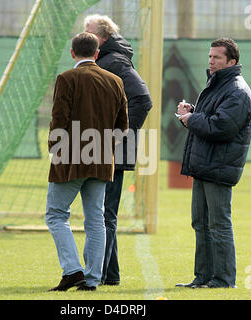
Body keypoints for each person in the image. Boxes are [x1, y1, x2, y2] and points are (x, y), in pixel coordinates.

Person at [45, 32, 128, 292]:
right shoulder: (115, 80)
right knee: (95, 219)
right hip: (102, 159)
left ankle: (72, 271)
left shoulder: (67, 78)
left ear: (72, 53)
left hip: (70, 158)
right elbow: (122, 126)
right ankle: (92, 279)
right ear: (97, 54)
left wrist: (55, 149)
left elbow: (59, 118)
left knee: (56, 214)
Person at [175, 38, 251, 288]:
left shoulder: (237, 91)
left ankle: (222, 280)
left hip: (219, 168)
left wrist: (191, 118)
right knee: (200, 223)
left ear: (232, 61)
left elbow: (221, 127)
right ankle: (203, 278)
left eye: (217, 57)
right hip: (205, 165)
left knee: (218, 225)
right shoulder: (218, 84)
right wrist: (192, 111)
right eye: (210, 56)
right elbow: (209, 118)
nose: (211, 61)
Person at [84, 14, 152, 286]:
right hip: (103, 150)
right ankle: (109, 275)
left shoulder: (114, 62)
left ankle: (97, 275)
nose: (83, 35)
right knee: (103, 213)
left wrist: (117, 135)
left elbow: (143, 100)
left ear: (102, 37)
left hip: (113, 152)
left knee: (104, 214)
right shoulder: (105, 60)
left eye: (88, 31)